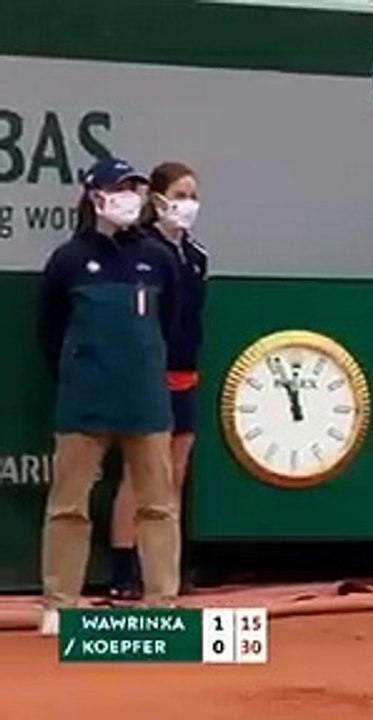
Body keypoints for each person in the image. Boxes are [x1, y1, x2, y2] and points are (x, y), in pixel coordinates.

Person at [35, 157, 183, 635]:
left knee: (158, 506)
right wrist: (77, 374)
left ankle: (161, 604)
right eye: (120, 188)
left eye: (135, 189)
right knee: (68, 506)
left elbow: (172, 322)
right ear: (95, 196)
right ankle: (61, 604)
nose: (131, 197)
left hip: (146, 402)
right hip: (83, 402)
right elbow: (48, 330)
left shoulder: (159, 259)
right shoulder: (68, 260)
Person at [108, 161, 207, 600]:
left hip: (186, 372)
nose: (187, 204)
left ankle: (163, 569)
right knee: (140, 474)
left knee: (175, 476)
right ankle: (123, 571)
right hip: (147, 374)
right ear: (158, 198)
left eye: (193, 196)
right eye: (180, 195)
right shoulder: (141, 250)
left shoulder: (197, 257)